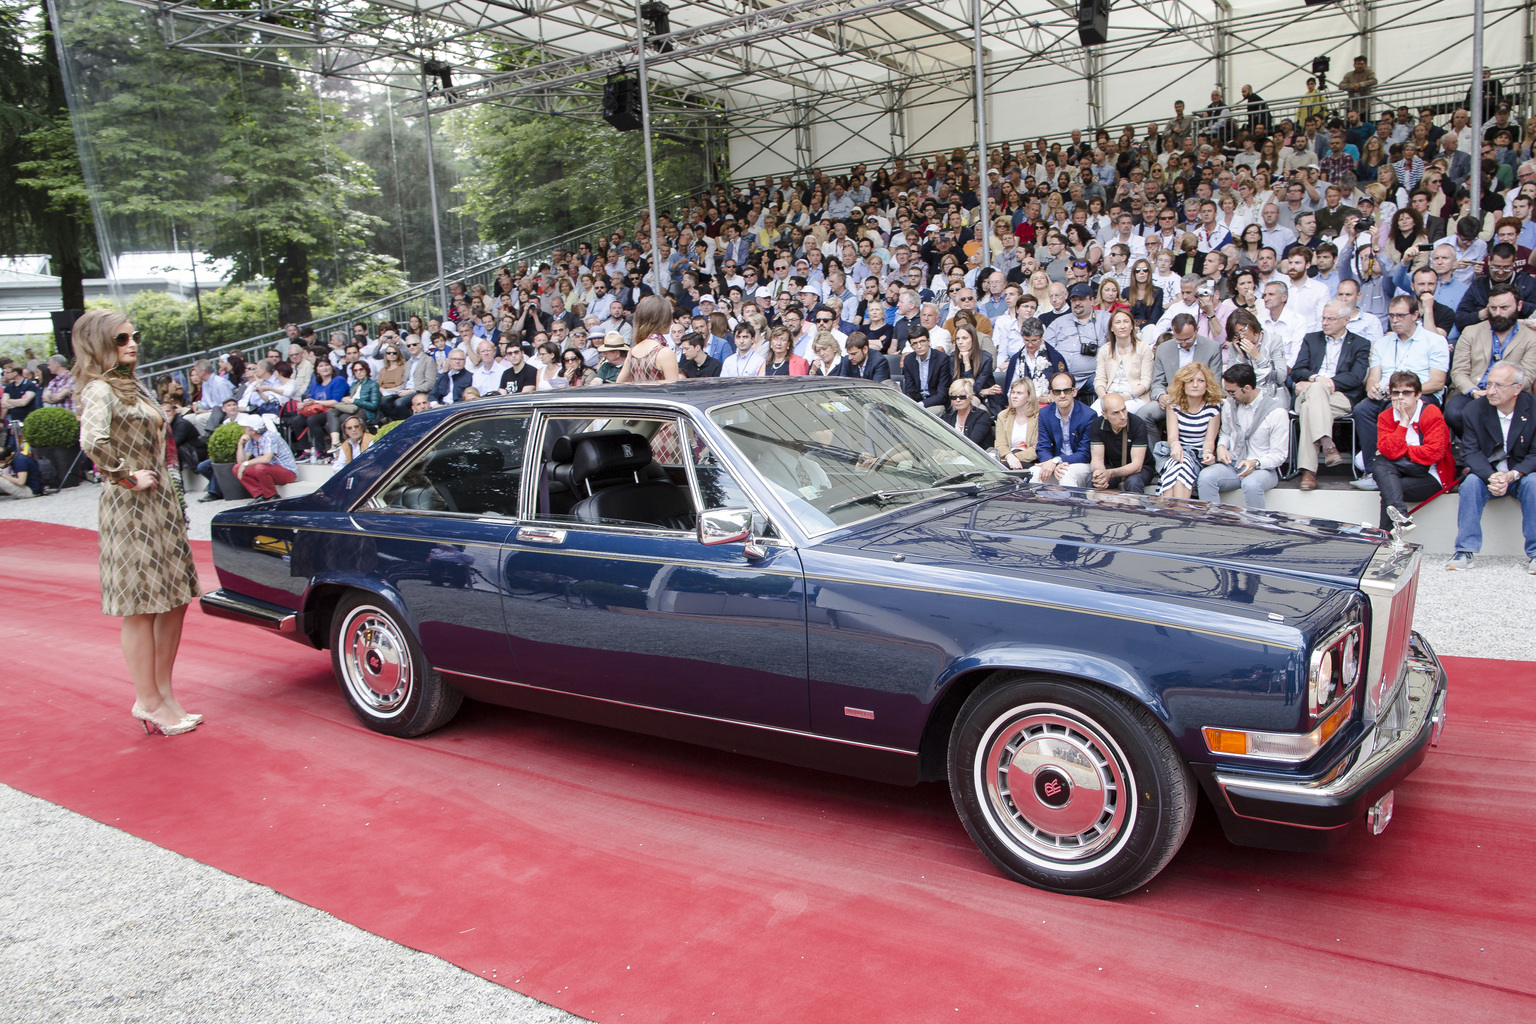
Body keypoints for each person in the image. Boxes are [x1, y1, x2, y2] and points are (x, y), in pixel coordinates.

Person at [72, 309, 202, 736]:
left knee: (176, 598)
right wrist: (126, 475)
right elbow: (92, 441)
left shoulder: (134, 385)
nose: (132, 343)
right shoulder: (98, 390)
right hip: (130, 506)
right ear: (98, 344)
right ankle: (147, 699)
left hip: (161, 502)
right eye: (120, 338)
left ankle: (163, 694)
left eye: (133, 336)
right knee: (142, 606)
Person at [1448, 361, 1536, 572]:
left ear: (1517, 388)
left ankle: (1535, 553)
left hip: (1520, 474)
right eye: (1489, 384)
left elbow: (1535, 453)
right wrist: (1492, 477)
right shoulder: (1474, 409)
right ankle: (1464, 551)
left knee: (1534, 483)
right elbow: (1470, 451)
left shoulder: (1532, 408)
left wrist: (1513, 475)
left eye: (1499, 385)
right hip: (1488, 474)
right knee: (1470, 483)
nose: (1491, 391)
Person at [1290, 300, 1372, 490]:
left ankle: (1309, 472)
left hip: (1340, 396)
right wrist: (1316, 378)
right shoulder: (1311, 339)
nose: (1325, 323)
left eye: (1331, 319)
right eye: (1323, 318)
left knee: (1311, 406)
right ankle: (1327, 443)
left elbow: (1356, 377)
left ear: (1346, 320)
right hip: (1309, 393)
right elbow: (1297, 371)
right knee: (1316, 392)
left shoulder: (1360, 343)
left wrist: (1327, 383)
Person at [1445, 285, 1536, 435]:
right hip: (1474, 391)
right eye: (1493, 308)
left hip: (1512, 394)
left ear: (1519, 306)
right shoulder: (1471, 332)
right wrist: (1473, 391)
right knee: (1454, 412)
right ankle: (1479, 447)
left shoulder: (1531, 337)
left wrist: (1502, 391)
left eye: (1504, 307)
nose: (1497, 313)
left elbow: (1528, 375)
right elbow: (1459, 371)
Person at [1370, 371, 1454, 531]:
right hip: (1401, 471)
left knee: (1386, 476)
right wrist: (1403, 422)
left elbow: (1434, 453)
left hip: (1431, 474)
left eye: (1407, 392)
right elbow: (1389, 451)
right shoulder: (1385, 416)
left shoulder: (1431, 412)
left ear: (1418, 395)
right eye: (1395, 392)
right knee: (1387, 478)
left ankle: (1384, 538)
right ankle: (1400, 519)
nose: (1400, 397)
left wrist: (1402, 451)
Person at [1197, 363, 1288, 508]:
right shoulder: (1229, 404)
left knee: (1251, 484)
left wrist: (1255, 463)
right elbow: (1226, 432)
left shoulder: (1276, 412)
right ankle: (1212, 524)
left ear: (1247, 388)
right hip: (1233, 465)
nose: (1229, 396)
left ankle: (1255, 528)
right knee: (1206, 477)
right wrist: (1221, 446)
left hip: (1263, 469)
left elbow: (1279, 455)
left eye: (1232, 392)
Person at [1158, 362, 1221, 500]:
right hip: (1176, 451)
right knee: (1180, 464)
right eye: (1190, 381)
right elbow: (1173, 437)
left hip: (1198, 456)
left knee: (1181, 468)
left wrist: (1208, 453)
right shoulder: (1174, 406)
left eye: (1200, 381)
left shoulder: (1213, 408)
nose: (1195, 385)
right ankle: (1179, 512)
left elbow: (1209, 441)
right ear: (1183, 384)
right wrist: (1175, 445)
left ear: (1207, 384)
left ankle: (1170, 512)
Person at [1032, 372, 1094, 487]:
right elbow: (1042, 446)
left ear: (1074, 392)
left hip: (1081, 464)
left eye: (1066, 391)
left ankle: (1071, 505)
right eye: (1057, 392)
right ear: (1051, 394)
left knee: (1066, 474)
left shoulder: (1088, 415)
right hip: (1055, 463)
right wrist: (1050, 463)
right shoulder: (1045, 414)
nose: (1062, 395)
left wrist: (1056, 461)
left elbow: (1085, 453)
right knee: (1034, 473)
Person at [1093, 308, 1153, 415]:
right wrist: (1104, 397)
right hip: (1108, 396)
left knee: (1117, 414)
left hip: (1134, 397)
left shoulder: (1143, 348)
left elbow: (1146, 381)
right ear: (1111, 328)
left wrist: (1128, 395)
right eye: (1117, 322)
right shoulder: (1105, 349)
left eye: (1126, 322)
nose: (1122, 326)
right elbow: (1099, 379)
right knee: (1092, 414)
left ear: (1132, 326)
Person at [1090, 393, 1152, 493]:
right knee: (1095, 481)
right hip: (1111, 465)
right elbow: (1097, 459)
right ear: (1104, 415)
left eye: (1124, 410)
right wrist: (1099, 474)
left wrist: (1111, 473)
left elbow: (1137, 465)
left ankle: (1135, 508)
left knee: (1133, 482)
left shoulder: (1137, 423)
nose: (1123, 416)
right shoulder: (1097, 424)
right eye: (1116, 413)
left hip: (1141, 468)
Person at [617, 294, 682, 384]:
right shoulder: (665, 353)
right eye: (669, 316)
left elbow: (619, 384)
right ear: (661, 319)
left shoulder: (632, 352)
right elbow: (674, 390)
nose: (672, 322)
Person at [234, 414, 298, 502]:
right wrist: (240, 444)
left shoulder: (269, 436)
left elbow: (266, 459)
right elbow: (241, 462)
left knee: (260, 467)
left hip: (287, 472)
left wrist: (246, 464)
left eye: (245, 427)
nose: (243, 429)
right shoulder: (251, 439)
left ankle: (272, 496)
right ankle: (259, 495)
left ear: (253, 431)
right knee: (236, 468)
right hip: (268, 471)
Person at [899, 327, 952, 410]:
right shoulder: (909, 360)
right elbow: (909, 390)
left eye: (922, 341)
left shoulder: (942, 359)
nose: (919, 346)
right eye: (915, 343)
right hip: (917, 402)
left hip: (937, 403)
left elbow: (942, 394)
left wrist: (921, 404)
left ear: (929, 341)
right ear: (911, 346)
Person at [993, 377, 1039, 469]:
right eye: (1013, 392)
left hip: (1030, 461)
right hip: (1008, 459)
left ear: (1029, 396)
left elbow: (1036, 448)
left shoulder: (1039, 416)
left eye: (1019, 393)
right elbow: (1000, 444)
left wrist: (1015, 457)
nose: (1014, 396)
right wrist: (1009, 456)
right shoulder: (1003, 415)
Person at [942, 378, 994, 446]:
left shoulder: (982, 416)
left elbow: (973, 443)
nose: (958, 400)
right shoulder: (947, 418)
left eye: (962, 397)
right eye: (954, 397)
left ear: (971, 397)